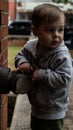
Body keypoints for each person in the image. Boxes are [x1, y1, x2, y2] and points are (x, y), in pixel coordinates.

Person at [14, 3, 73, 130]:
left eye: (60, 29)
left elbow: (65, 79)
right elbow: (20, 55)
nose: (56, 35)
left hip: (53, 111)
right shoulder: (31, 47)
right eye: (50, 30)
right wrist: (22, 62)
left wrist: (41, 74)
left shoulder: (62, 56)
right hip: (36, 107)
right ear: (35, 31)